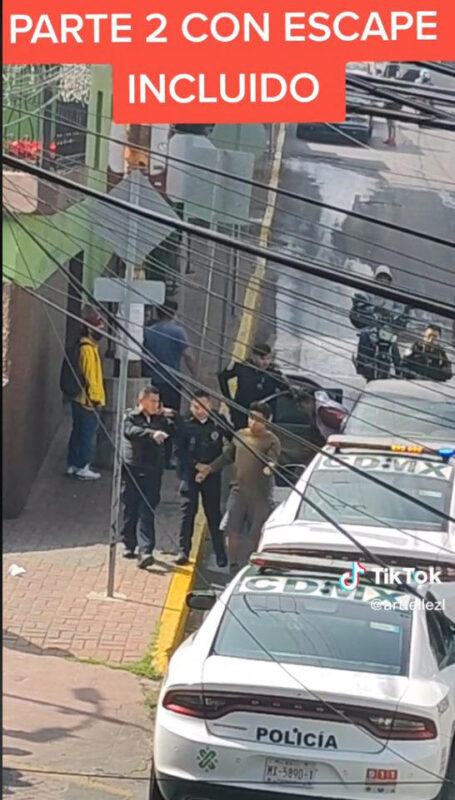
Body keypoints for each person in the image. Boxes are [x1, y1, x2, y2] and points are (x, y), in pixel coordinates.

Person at [195, 402, 281, 571]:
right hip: (238, 491)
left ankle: (255, 566)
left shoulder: (271, 441)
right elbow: (227, 457)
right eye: (251, 418)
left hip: (260, 496)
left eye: (258, 420)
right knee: (231, 529)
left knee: (256, 533)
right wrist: (209, 469)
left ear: (267, 421)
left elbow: (273, 459)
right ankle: (233, 563)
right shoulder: (240, 435)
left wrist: (270, 467)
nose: (253, 422)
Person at [121, 386, 177, 568]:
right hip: (134, 470)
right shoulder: (131, 417)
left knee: (147, 510)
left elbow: (177, 431)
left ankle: (146, 551)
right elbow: (131, 432)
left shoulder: (160, 419)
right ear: (142, 401)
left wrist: (173, 415)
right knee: (131, 508)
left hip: (153, 471)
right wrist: (152, 434)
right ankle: (129, 543)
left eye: (157, 401)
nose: (155, 405)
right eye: (152, 401)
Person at [175, 391, 231, 567]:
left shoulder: (219, 421)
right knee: (188, 512)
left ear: (210, 405)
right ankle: (183, 551)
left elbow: (233, 441)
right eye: (195, 406)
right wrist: (196, 465)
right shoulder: (185, 423)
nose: (199, 410)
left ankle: (220, 553)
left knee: (213, 514)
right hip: (190, 473)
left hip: (212, 473)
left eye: (203, 406)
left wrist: (211, 467)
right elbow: (178, 451)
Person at [143, 301, 196, 467]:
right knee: (170, 420)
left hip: (152, 382)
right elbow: (188, 356)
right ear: (174, 314)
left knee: (152, 418)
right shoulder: (178, 332)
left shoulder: (148, 331)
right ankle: (167, 457)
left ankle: (152, 455)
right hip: (171, 383)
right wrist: (194, 375)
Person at [66, 308, 106, 481]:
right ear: (90, 330)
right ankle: (83, 466)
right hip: (87, 401)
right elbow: (91, 377)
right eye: (99, 329)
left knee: (77, 432)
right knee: (87, 435)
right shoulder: (88, 350)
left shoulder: (83, 346)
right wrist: (96, 399)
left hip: (78, 399)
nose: (101, 332)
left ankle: (73, 464)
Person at [218, 343, 286, 430]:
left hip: (263, 416)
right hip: (241, 413)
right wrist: (229, 400)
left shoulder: (273, 373)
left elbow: (286, 388)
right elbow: (222, 377)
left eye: (268, 359)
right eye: (262, 359)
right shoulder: (243, 367)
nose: (266, 362)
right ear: (254, 357)